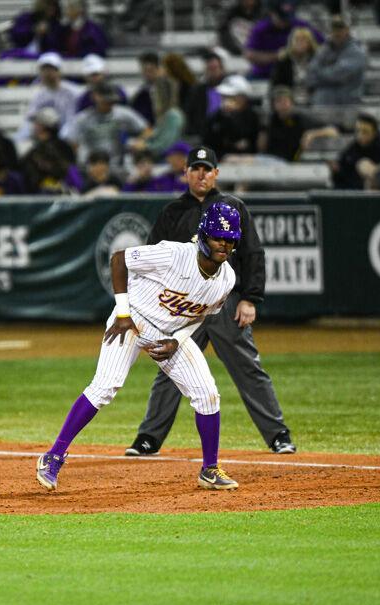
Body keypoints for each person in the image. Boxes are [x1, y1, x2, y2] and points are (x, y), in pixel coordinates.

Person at [37, 202, 244, 492]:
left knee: (207, 394)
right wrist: (122, 314)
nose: (224, 244)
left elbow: (201, 316)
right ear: (204, 235)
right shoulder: (174, 254)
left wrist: (178, 340)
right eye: (218, 237)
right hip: (132, 319)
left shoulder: (226, 279)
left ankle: (209, 469)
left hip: (169, 334)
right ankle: (53, 455)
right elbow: (119, 259)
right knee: (105, 385)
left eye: (230, 239)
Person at [126, 146, 296, 458]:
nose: (201, 174)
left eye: (207, 169)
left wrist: (250, 298)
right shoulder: (173, 212)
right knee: (168, 369)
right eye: (196, 168)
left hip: (223, 302)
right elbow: (151, 258)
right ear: (186, 173)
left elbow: (252, 253)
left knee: (246, 367)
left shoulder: (232, 206)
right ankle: (148, 438)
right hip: (181, 308)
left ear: (216, 174)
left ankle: (278, 435)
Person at [61, 82, 149, 166]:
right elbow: (71, 141)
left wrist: (139, 141)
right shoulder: (83, 118)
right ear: (95, 97)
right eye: (105, 101)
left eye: (110, 101)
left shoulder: (124, 114)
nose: (108, 104)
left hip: (118, 163)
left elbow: (147, 130)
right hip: (91, 165)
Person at [244, 0, 323, 79]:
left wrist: (308, 48)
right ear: (271, 13)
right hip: (264, 75)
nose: (284, 22)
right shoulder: (261, 28)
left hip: (295, 75)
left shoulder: (300, 25)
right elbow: (250, 55)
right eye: (281, 18)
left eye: (287, 18)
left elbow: (324, 45)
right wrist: (279, 55)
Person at [305, 16, 366, 116]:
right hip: (323, 103)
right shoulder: (324, 49)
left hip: (347, 104)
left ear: (347, 30)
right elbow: (311, 71)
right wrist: (325, 73)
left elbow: (337, 75)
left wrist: (320, 74)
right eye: (334, 30)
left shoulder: (356, 52)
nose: (337, 33)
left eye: (340, 29)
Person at [15, 52, 82, 142]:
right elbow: (30, 119)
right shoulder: (39, 95)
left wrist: (61, 140)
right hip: (44, 138)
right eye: (44, 69)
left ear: (58, 71)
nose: (47, 73)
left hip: (67, 138)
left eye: (50, 69)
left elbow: (72, 121)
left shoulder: (71, 92)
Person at [331, 112, 380, 190]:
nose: (360, 135)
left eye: (365, 132)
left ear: (374, 133)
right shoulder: (349, 152)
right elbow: (340, 181)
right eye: (357, 131)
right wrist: (336, 172)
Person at [20, 106, 80, 194]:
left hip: (58, 193)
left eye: (37, 123)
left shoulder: (62, 148)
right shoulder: (36, 147)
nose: (34, 126)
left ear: (44, 126)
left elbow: (68, 171)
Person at [203, 75, 261, 158]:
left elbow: (250, 144)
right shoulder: (215, 117)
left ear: (242, 98)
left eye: (230, 96)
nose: (226, 100)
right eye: (224, 96)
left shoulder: (252, 117)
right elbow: (208, 144)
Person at [127, 76, 185, 159]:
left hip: (168, 160)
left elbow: (165, 145)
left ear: (162, 96)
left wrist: (145, 146)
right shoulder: (164, 115)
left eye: (154, 95)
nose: (153, 99)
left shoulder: (173, 115)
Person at [259, 86, 315, 162]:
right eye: (278, 101)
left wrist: (312, 134)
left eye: (285, 101)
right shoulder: (271, 120)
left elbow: (331, 130)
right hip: (270, 159)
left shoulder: (299, 119)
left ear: (291, 103)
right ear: (274, 105)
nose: (282, 104)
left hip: (290, 160)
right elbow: (261, 147)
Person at [269, 27, 319, 106]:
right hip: (289, 101)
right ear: (291, 43)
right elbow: (276, 84)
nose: (300, 43)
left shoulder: (317, 59)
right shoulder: (283, 61)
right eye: (297, 40)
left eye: (303, 40)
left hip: (313, 99)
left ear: (309, 43)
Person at [131, 51, 160, 125]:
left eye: (150, 71)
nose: (147, 74)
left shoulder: (168, 91)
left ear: (159, 69)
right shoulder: (141, 93)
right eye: (144, 70)